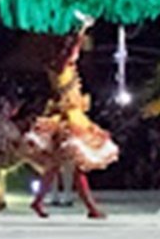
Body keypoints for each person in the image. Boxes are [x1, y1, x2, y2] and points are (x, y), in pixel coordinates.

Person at [24, 21, 116, 219]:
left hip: (68, 116)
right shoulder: (61, 66)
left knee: (58, 166)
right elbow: (72, 51)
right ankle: (91, 208)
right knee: (76, 166)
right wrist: (82, 30)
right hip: (69, 119)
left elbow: (73, 52)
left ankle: (39, 201)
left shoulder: (59, 65)